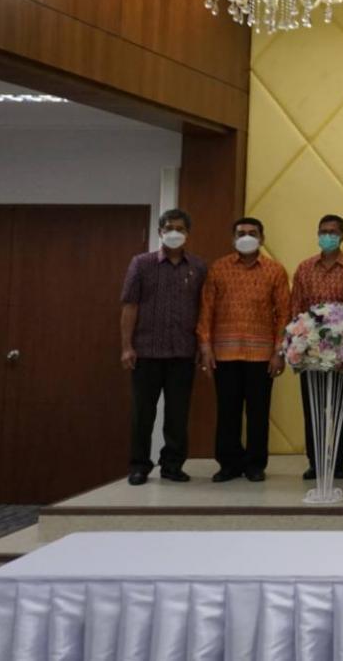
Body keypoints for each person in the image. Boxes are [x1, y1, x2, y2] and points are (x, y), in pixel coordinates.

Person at [197, 217, 290, 483]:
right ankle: (228, 464)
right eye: (241, 233)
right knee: (228, 411)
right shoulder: (219, 268)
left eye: (252, 233)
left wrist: (279, 352)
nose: (246, 237)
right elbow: (206, 309)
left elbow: (284, 314)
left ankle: (255, 465)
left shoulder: (275, 270)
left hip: (261, 355)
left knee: (258, 413)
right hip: (224, 353)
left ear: (262, 238)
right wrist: (205, 346)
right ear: (233, 238)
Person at [119, 208, 207, 485]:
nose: (174, 233)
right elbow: (130, 305)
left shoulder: (198, 267)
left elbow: (204, 310)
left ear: (188, 233)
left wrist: (202, 346)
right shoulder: (141, 263)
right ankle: (139, 465)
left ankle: (172, 465)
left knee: (178, 414)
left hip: (183, 353)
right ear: (160, 232)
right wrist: (126, 346)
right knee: (142, 413)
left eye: (180, 229)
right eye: (169, 228)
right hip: (146, 352)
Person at [290, 213, 343, 482]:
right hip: (311, 351)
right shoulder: (304, 268)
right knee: (314, 408)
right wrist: (296, 345)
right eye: (323, 231)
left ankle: (339, 463)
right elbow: (296, 309)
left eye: (333, 232)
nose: (327, 236)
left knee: (341, 407)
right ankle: (316, 461)